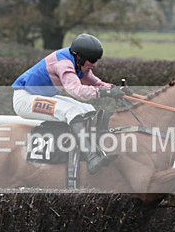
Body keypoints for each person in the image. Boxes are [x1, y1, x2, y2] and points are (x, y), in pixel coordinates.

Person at [12, 33, 129, 173]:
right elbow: (77, 91)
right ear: (79, 56)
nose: (94, 64)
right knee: (71, 111)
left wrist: (114, 89)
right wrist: (107, 93)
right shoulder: (64, 64)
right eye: (91, 60)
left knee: (87, 109)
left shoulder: (79, 62)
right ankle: (91, 157)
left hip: (39, 95)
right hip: (25, 99)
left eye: (96, 60)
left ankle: (96, 149)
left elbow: (95, 83)